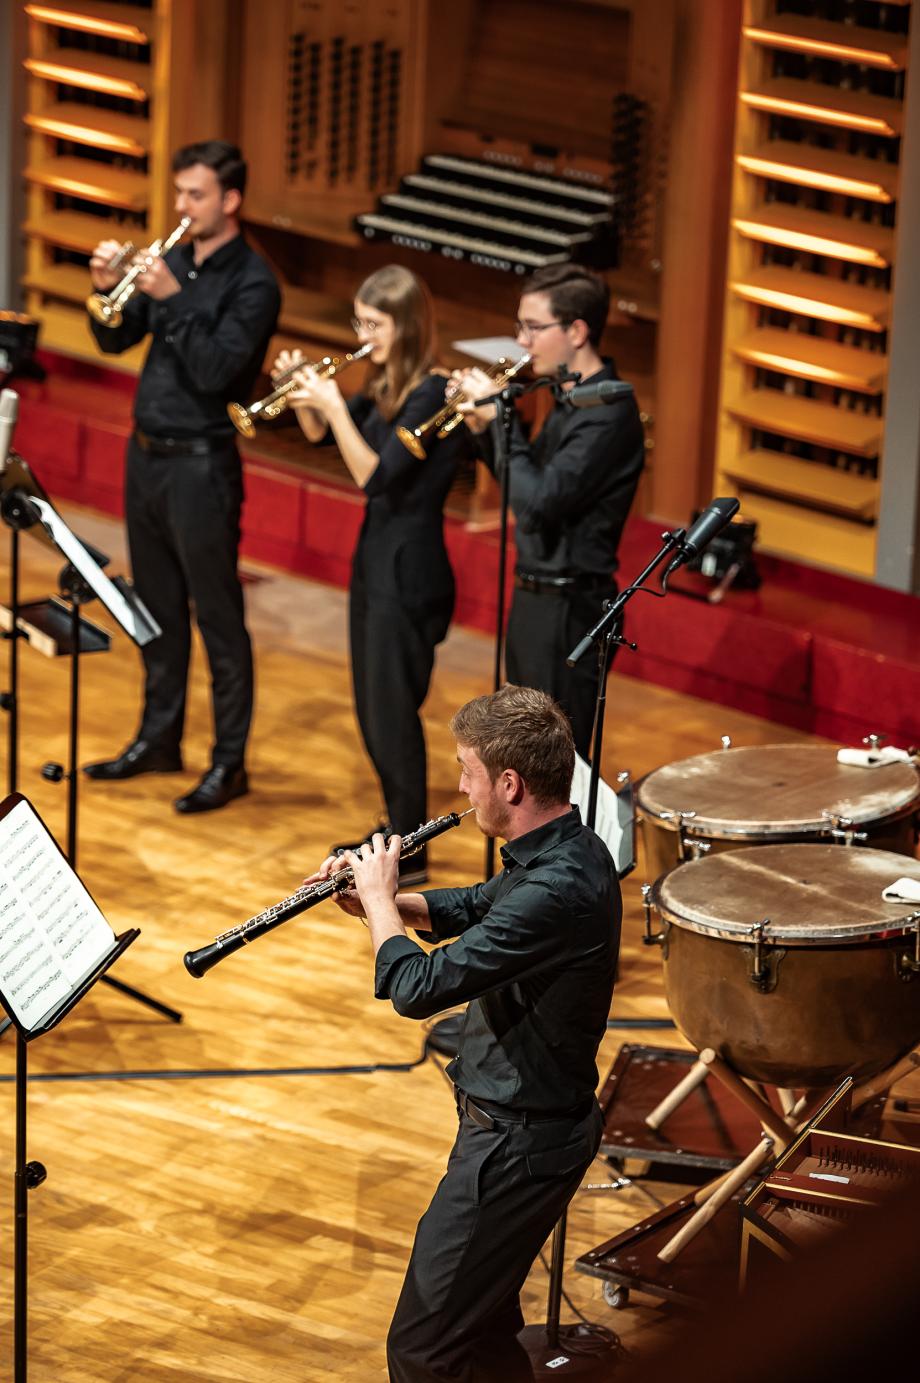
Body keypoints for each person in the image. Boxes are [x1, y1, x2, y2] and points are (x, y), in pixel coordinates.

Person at [307, 684, 621, 1380]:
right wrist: (374, 904)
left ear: (508, 782)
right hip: (520, 1129)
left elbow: (415, 989)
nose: (459, 786)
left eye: (466, 770)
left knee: (422, 1349)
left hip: (517, 1146)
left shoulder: (555, 890)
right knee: (477, 1334)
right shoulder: (566, 848)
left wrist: (386, 904)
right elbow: (477, 905)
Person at [83, 140, 281, 812]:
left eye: (194, 195)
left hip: (202, 465)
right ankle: (159, 737)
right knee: (156, 608)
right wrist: (106, 288)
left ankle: (230, 764)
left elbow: (217, 372)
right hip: (146, 458)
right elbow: (113, 337)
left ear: (230, 200)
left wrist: (173, 300)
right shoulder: (170, 259)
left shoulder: (254, 282)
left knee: (217, 618)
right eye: (179, 193)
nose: (180, 207)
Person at [277, 265, 462, 884]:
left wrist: (333, 404)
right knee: (372, 706)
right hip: (377, 559)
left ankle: (410, 850)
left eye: (374, 323)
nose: (363, 333)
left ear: (406, 324)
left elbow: (374, 476)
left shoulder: (430, 392)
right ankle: (397, 830)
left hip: (409, 567)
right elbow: (325, 437)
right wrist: (307, 400)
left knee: (392, 712)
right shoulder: (387, 380)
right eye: (358, 321)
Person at [456, 264, 645, 758]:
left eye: (532, 328)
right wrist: (482, 427)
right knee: (519, 753)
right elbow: (525, 487)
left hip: (570, 611)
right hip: (534, 599)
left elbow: (539, 505)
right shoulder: (566, 397)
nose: (521, 342)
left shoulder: (608, 414)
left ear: (577, 330)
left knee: (557, 765)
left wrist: (500, 421)